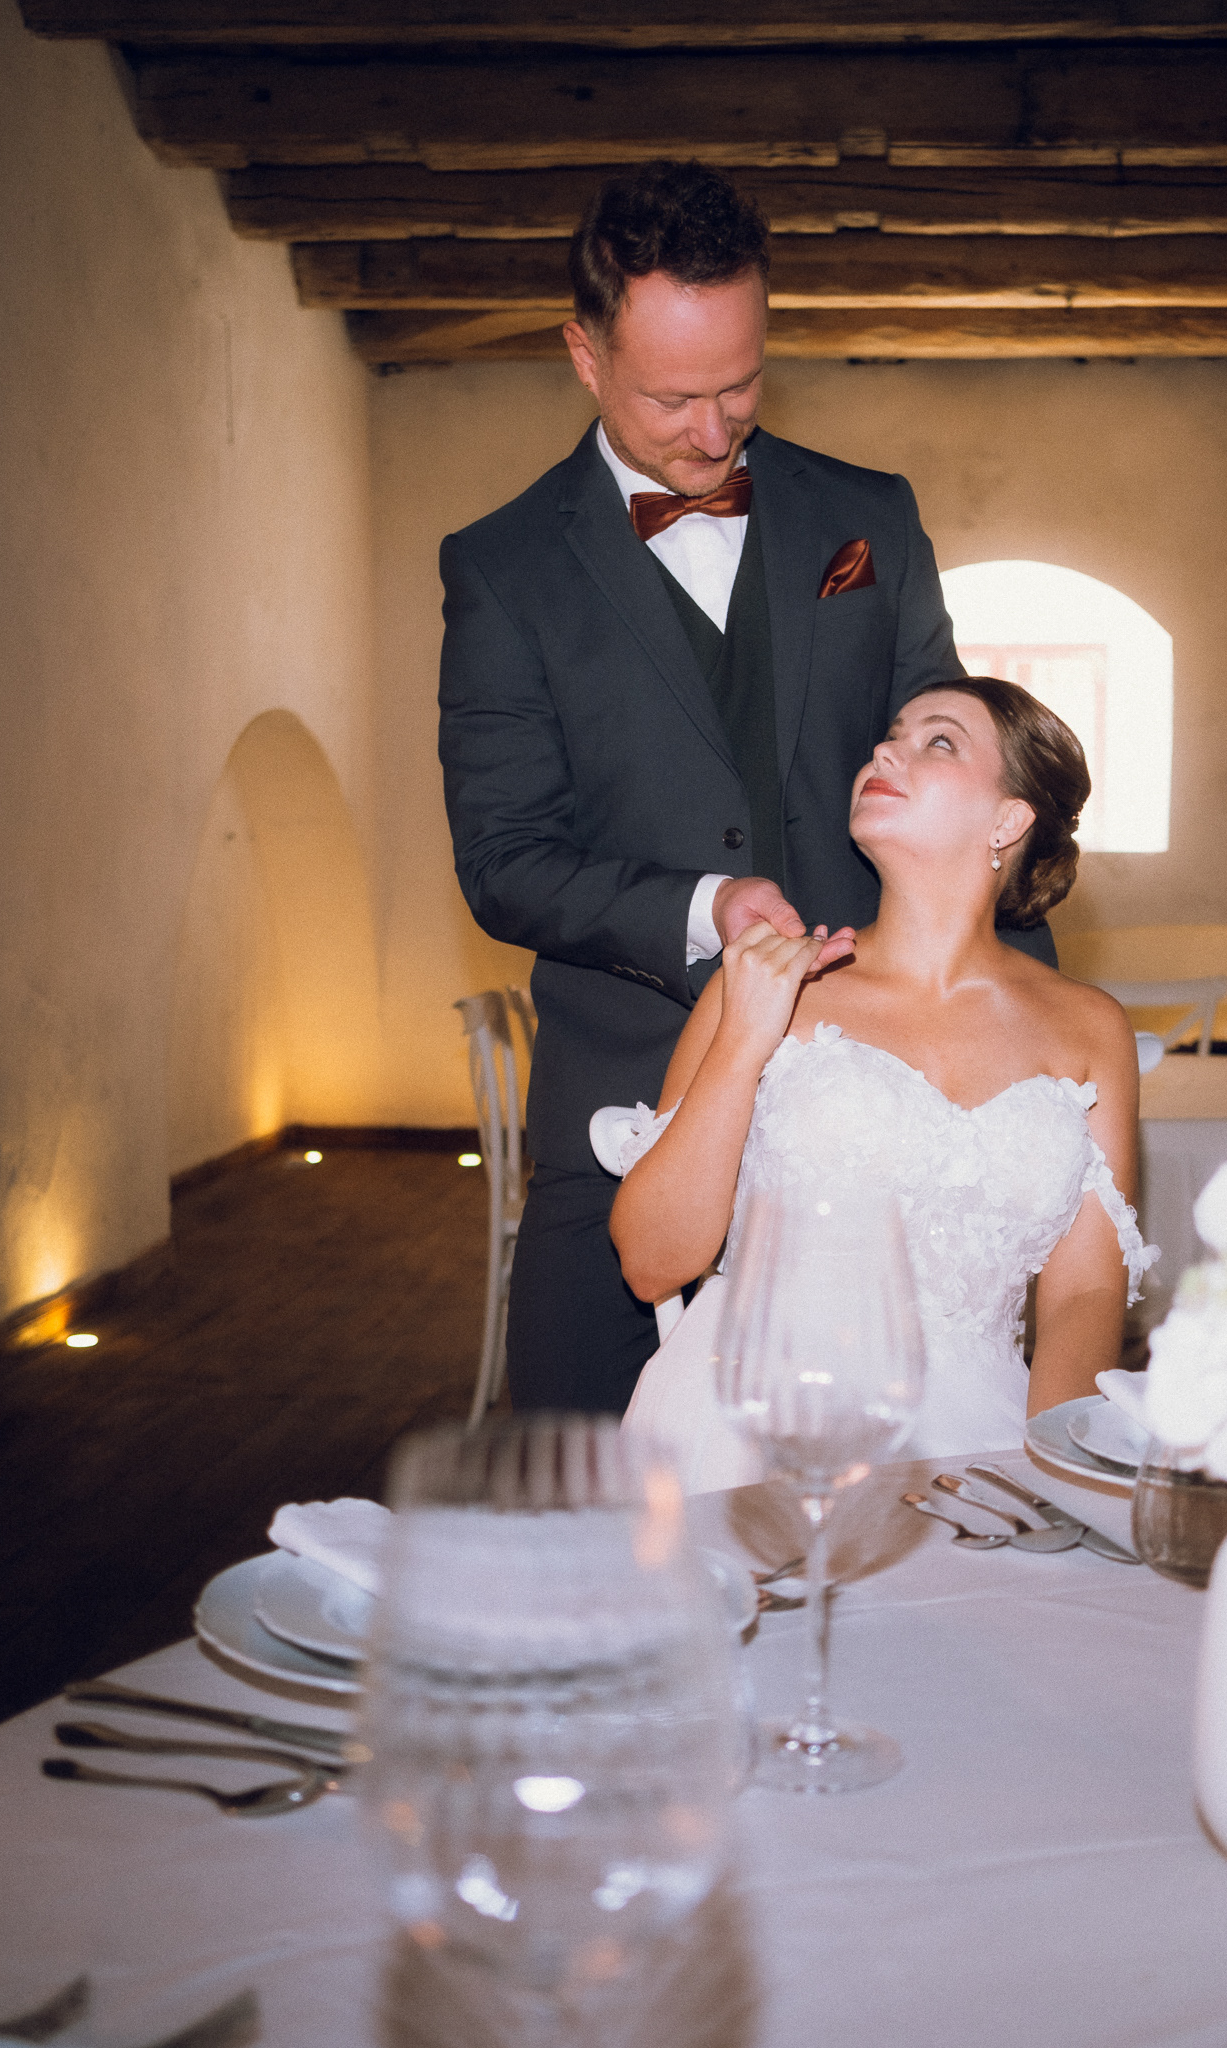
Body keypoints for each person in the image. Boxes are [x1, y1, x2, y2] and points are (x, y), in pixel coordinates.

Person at [439, 160, 1056, 1418]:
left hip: (874, 1106)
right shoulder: (503, 570)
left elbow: (959, 769)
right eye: (674, 397)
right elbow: (504, 858)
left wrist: (1030, 1013)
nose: (715, 431)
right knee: (574, 1477)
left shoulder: (868, 517)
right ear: (584, 355)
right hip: (626, 1099)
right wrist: (703, 904)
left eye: (741, 385)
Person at [610, 677, 1156, 1493]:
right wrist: (744, 1037)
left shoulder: (1088, 1028)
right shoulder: (770, 980)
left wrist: (1051, 1477)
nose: (885, 752)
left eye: (939, 741)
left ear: (1009, 820)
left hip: (980, 1441)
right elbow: (653, 1264)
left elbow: (1084, 1293)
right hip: (750, 1420)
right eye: (892, 735)